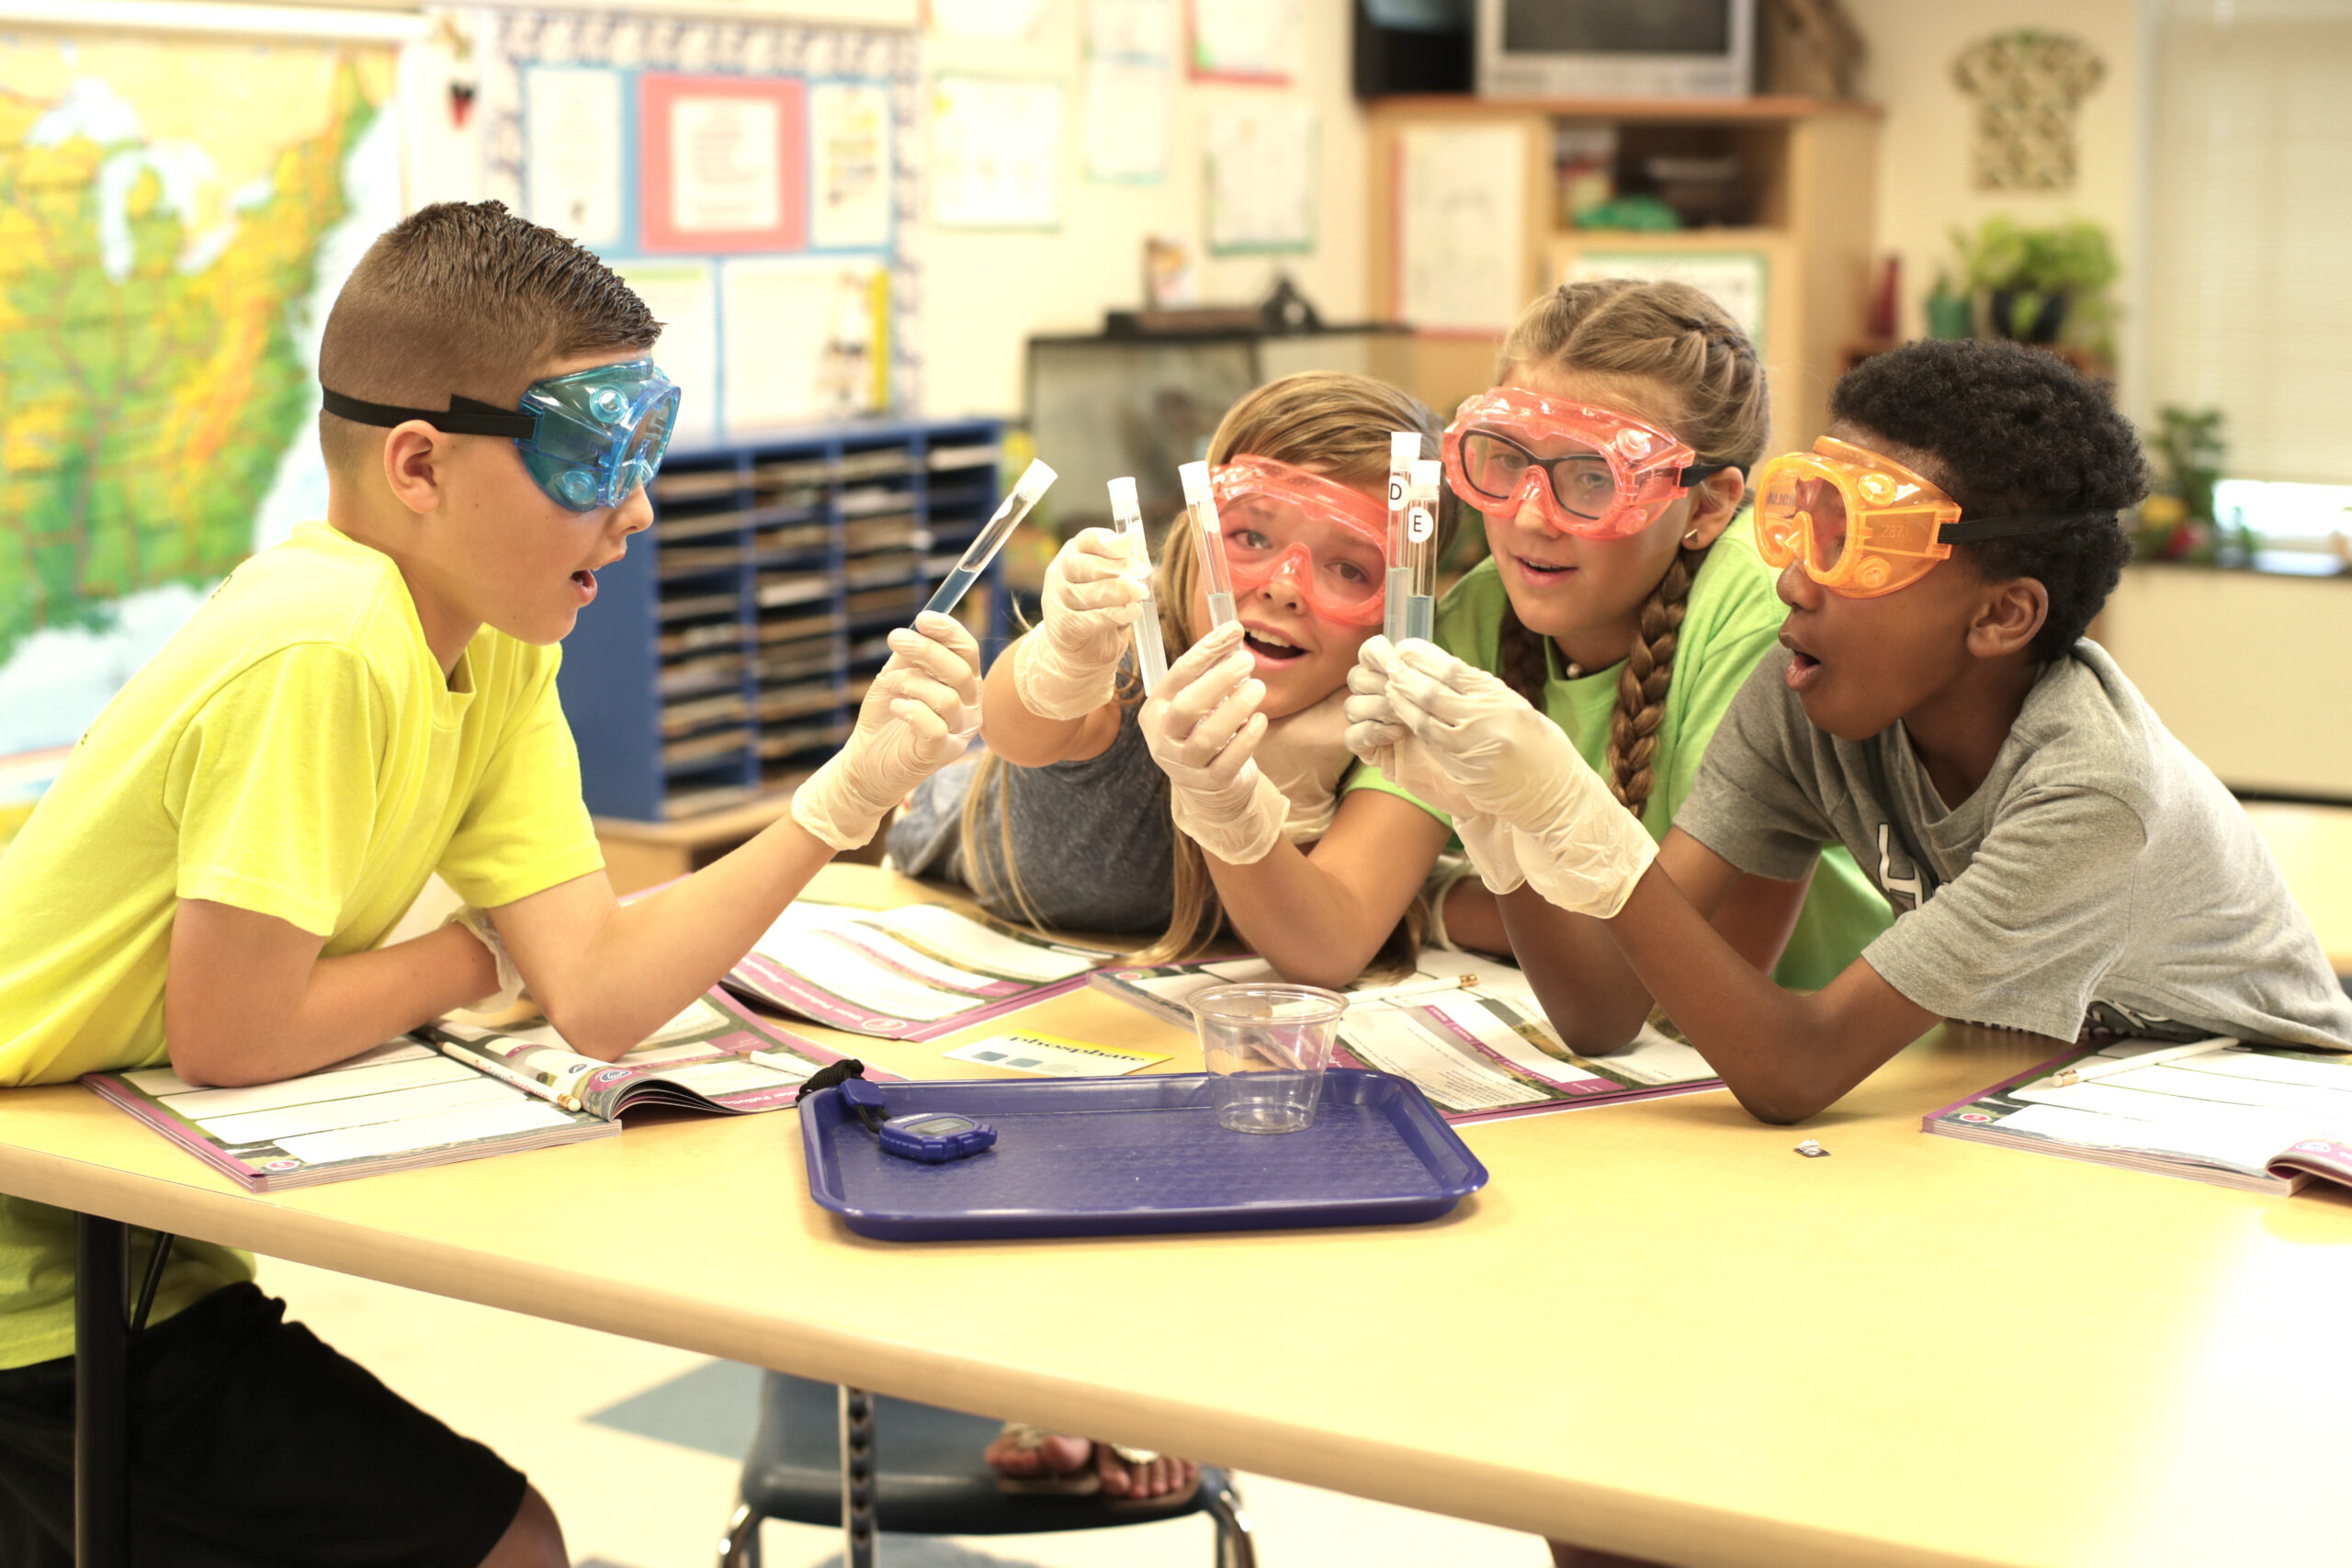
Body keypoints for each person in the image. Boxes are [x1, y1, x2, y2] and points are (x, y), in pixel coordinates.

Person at [0, 201, 981, 1567]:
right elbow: (236, 1034)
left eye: (648, 450)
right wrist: (473, 958)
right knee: (508, 1542)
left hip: (124, 1230)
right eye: (595, 458)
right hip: (34, 1282)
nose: (636, 508)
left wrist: (843, 797)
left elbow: (594, 988)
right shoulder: (325, 640)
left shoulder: (500, 640)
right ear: (417, 463)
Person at [1351, 338, 2352, 1150]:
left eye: (1854, 546)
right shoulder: (1805, 695)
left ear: (2002, 616)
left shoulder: (2092, 790)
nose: (1792, 579)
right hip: (2038, 1094)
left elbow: (1793, 1069)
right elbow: (1607, 1009)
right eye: (1800, 519)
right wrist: (1502, 822)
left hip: (2255, 1123)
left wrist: (1579, 818)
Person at [1340, 278, 1889, 979]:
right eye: (1506, 458)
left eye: (1595, 476)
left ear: (1708, 507)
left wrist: (1440, 899)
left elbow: (1671, 979)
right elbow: (1340, 925)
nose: (1532, 516)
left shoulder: (1766, 613)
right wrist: (1233, 797)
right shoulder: (1479, 609)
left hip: (1855, 1054)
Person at [890, 370, 1463, 988]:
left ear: (1406, 601)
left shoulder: (1390, 715)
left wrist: (1232, 803)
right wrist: (1056, 663)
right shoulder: (1137, 652)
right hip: (957, 842)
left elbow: (1327, 944)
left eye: (1350, 568)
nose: (1284, 585)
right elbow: (1015, 730)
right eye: (1250, 535)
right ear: (1201, 526)